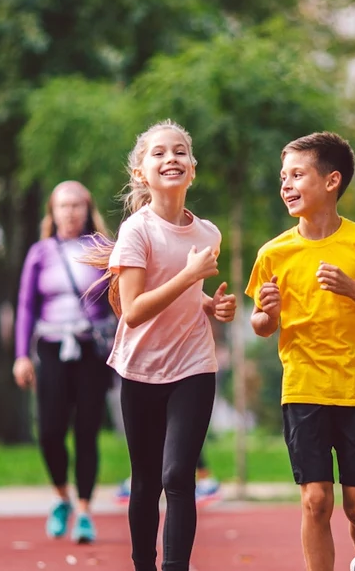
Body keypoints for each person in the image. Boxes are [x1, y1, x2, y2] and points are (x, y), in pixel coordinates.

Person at [246, 131, 355, 571]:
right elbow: (260, 324)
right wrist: (269, 314)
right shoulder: (273, 253)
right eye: (283, 176)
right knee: (316, 502)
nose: (286, 184)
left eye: (297, 174)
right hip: (303, 387)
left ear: (332, 181)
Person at [83, 121, 236, 571]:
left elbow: (189, 296)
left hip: (194, 364)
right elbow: (132, 311)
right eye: (159, 153)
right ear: (140, 173)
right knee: (147, 482)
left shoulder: (208, 234)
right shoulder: (137, 231)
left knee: (177, 476)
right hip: (140, 369)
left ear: (193, 169)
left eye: (181, 151)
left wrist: (212, 306)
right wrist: (189, 277)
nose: (171, 158)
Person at [12, 180, 117, 545]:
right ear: (52, 212)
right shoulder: (40, 253)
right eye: (63, 206)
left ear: (88, 210)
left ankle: (85, 512)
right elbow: (26, 306)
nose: (70, 212)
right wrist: (21, 355)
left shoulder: (104, 249)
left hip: (91, 351)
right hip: (53, 349)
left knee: (87, 431)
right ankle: (61, 497)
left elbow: (120, 301)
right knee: (50, 431)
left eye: (77, 205)